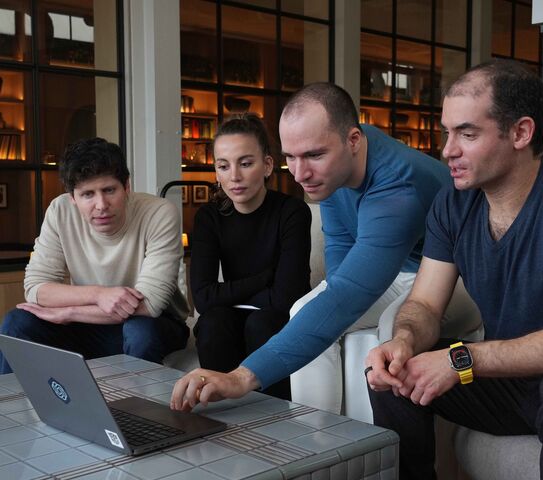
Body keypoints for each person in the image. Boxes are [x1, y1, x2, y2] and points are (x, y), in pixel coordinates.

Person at [365, 59, 543, 480]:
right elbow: (423, 302)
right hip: (514, 379)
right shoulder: (454, 203)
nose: (447, 150)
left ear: (521, 133)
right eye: (447, 133)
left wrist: (460, 360)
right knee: (398, 375)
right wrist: (404, 341)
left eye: (467, 134)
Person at [170, 82, 450, 413]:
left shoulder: (395, 188)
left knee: (387, 328)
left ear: (353, 141)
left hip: (452, 276)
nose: (300, 173)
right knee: (308, 310)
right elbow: (341, 253)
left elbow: (346, 294)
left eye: (314, 155)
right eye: (291, 156)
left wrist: (243, 377)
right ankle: (314, 439)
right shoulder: (339, 157)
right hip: (396, 271)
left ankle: (375, 449)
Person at [0, 137, 189, 374]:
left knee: (140, 331)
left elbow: (149, 305)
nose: (101, 204)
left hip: (155, 324)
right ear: (72, 197)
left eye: (109, 190)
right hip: (89, 325)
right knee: (17, 322)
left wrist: (69, 312)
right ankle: (10, 408)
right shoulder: (60, 211)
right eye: (88, 194)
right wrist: (98, 294)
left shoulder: (159, 212)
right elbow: (36, 289)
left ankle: (132, 409)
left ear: (126, 186)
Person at [189, 113, 311, 400]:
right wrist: (264, 279)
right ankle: (220, 411)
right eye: (223, 165)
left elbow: (286, 299)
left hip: (276, 318)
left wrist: (231, 295)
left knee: (261, 324)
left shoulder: (292, 212)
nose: (234, 176)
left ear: (267, 165)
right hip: (237, 313)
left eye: (245, 163)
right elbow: (203, 298)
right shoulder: (209, 217)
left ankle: (276, 418)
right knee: (211, 323)